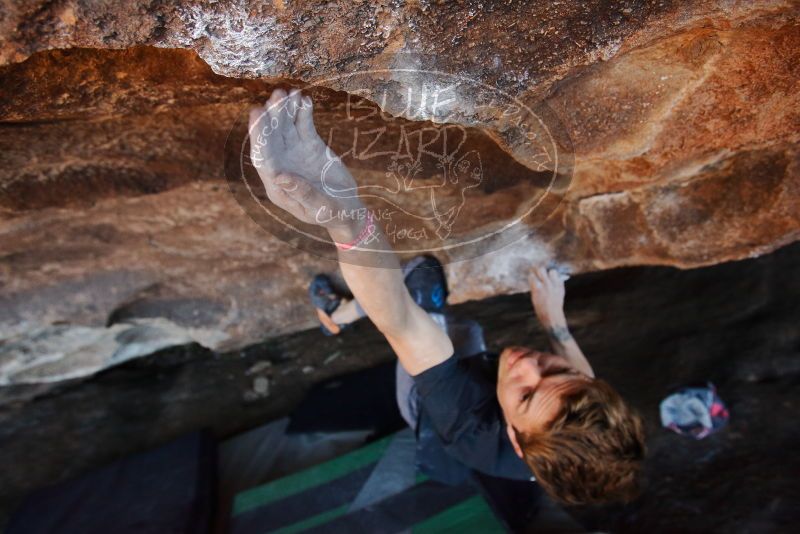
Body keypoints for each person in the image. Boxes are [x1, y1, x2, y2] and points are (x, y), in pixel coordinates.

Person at [248, 88, 646, 505]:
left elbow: (401, 320)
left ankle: (337, 314)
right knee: (465, 328)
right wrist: (554, 324)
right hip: (485, 377)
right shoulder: (576, 413)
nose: (528, 364)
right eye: (553, 370)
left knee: (419, 281)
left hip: (426, 399)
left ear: (513, 438)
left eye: (527, 394)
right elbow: (582, 382)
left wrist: (346, 217)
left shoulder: (466, 420)